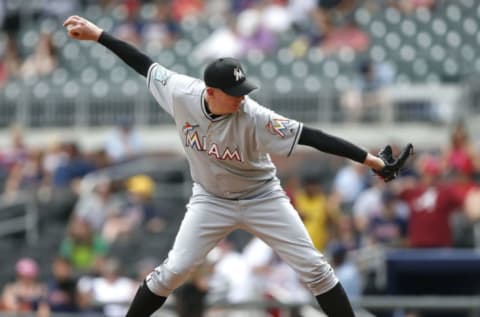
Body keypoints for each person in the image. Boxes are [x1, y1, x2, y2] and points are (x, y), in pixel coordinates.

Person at [63, 15, 413, 317]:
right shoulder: (181, 92)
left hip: (263, 197)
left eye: (243, 87)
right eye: (234, 91)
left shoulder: (254, 116)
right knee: (172, 271)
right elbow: (143, 62)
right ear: (211, 91)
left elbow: (313, 136)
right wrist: (98, 35)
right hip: (211, 200)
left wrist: (371, 160)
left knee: (316, 269)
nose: (242, 96)